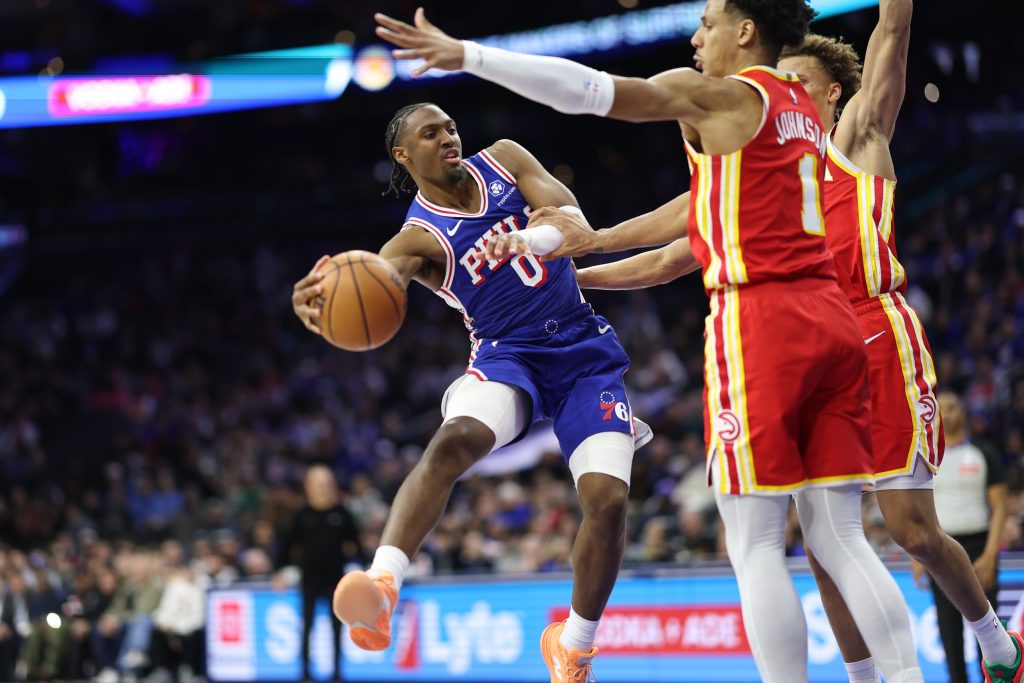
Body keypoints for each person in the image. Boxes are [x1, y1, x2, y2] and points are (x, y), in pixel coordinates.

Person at [373, 3, 925, 681]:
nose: (698, 37)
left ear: (746, 31)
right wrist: (592, 250)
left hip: (765, 322)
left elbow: (591, 91)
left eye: (710, 21)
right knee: (841, 537)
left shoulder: (724, 97)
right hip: (833, 319)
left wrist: (470, 56)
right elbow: (694, 219)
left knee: (754, 543)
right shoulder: (801, 108)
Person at [290, 102, 652, 682]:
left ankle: (575, 643)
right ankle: (383, 586)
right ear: (404, 156)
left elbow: (574, 223)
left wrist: (529, 239)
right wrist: (322, 304)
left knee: (608, 503)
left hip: (582, 351)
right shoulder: (416, 239)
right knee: (457, 437)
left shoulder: (505, 159)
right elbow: (378, 280)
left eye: (452, 126)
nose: (448, 137)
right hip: (508, 354)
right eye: (430, 134)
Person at [921, 392, 1010, 683]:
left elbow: (1000, 508)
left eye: (952, 407)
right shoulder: (926, 456)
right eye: (941, 407)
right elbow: (917, 509)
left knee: (988, 635)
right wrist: (917, 556)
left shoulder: (984, 452)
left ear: (963, 413)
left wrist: (990, 554)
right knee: (949, 635)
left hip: (979, 548)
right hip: (939, 550)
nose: (946, 412)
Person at [275, 464, 361, 683]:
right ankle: (305, 672)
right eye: (318, 483)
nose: (323, 487)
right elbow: (287, 547)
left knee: (337, 627)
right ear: (308, 486)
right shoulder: (302, 515)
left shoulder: (342, 514)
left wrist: (365, 570)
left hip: (336, 580)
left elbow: (356, 547)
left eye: (327, 482)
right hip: (310, 580)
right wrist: (279, 572)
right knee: (307, 626)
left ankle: (337, 673)